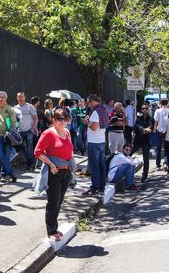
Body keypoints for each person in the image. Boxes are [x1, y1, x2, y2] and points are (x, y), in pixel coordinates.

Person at [34, 108, 74, 241]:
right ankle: (51, 230)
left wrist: (71, 163)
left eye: (65, 119)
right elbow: (38, 152)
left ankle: (54, 227)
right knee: (53, 202)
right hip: (54, 172)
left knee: (60, 201)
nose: (63, 122)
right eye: (60, 119)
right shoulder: (48, 133)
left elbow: (69, 150)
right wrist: (51, 164)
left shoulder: (67, 132)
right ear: (54, 120)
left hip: (66, 171)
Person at [0, 91, 18, 183]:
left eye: (3, 97)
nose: (1, 99)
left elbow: (13, 123)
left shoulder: (10, 109)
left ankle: (2, 175)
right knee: (0, 155)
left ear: (6, 98)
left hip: (8, 136)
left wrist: (12, 133)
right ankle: (11, 173)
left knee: (6, 156)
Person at [82, 94, 108, 196]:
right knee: (101, 166)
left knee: (94, 166)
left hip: (94, 142)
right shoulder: (104, 110)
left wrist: (86, 122)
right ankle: (101, 187)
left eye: (88, 102)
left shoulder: (96, 112)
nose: (88, 105)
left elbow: (94, 127)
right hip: (101, 141)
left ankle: (94, 188)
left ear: (93, 101)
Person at [130, 103, 155, 182]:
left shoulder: (151, 119)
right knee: (129, 153)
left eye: (146, 108)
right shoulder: (138, 119)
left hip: (146, 141)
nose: (144, 110)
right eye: (143, 108)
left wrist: (143, 130)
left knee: (146, 158)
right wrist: (144, 130)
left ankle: (144, 175)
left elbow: (150, 129)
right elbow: (135, 128)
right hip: (137, 140)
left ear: (148, 109)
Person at [15, 92, 38, 172]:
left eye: (22, 97)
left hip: (29, 130)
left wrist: (34, 127)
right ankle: (32, 162)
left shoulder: (30, 106)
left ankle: (30, 165)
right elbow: (14, 120)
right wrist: (16, 127)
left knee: (29, 148)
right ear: (17, 98)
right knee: (21, 147)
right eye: (19, 97)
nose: (21, 98)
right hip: (19, 131)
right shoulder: (14, 108)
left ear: (25, 97)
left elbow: (35, 118)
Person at [153, 99, 169, 170]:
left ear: (160, 103)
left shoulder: (157, 111)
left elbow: (155, 122)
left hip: (159, 131)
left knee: (158, 148)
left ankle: (158, 164)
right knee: (166, 148)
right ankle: (165, 163)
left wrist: (154, 129)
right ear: (167, 103)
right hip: (167, 131)